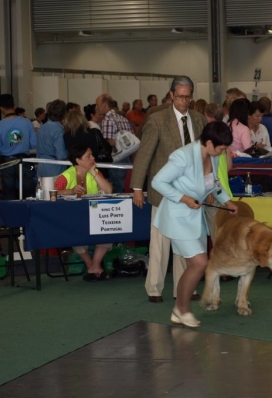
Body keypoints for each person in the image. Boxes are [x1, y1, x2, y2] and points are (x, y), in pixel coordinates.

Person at [151, 121, 238, 328]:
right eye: (222, 148)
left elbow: (215, 184)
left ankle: (179, 310)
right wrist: (184, 198)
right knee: (200, 263)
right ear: (208, 143)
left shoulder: (213, 157)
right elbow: (157, 182)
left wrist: (228, 201)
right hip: (177, 216)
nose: (224, 152)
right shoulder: (182, 156)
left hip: (194, 219)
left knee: (195, 265)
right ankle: (182, 309)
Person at [130, 75, 207, 304]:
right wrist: (136, 188)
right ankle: (154, 288)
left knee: (187, 241)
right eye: (180, 96)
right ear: (171, 95)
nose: (184, 101)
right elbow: (144, 155)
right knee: (160, 243)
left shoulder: (199, 119)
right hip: (164, 192)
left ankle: (184, 287)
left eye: (188, 97)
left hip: (191, 191)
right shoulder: (156, 120)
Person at [54, 143, 113, 281]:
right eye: (88, 156)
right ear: (78, 160)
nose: (93, 157)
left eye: (92, 154)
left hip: (96, 215)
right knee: (74, 232)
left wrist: (93, 172)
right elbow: (52, 192)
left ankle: (94, 266)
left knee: (110, 227)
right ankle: (91, 265)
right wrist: (70, 191)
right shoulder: (66, 176)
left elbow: (108, 190)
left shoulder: (97, 172)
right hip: (74, 218)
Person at [0, 94, 36, 199]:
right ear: (14, 106)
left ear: (1, 108)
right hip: (25, 161)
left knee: (8, 192)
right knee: (28, 191)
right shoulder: (26, 122)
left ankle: (10, 214)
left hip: (6, 163)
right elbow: (34, 143)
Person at [96, 93, 135, 193]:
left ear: (104, 105)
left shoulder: (107, 119)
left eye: (97, 105)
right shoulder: (122, 118)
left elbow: (110, 142)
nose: (96, 108)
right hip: (127, 157)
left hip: (116, 158)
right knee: (125, 185)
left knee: (116, 187)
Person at [64, 109, 112, 178]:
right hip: (97, 168)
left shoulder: (67, 136)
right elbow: (108, 148)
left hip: (77, 170)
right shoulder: (95, 132)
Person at [36, 99, 68, 186]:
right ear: (64, 114)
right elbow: (61, 155)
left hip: (41, 167)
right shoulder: (59, 130)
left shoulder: (42, 128)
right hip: (55, 169)